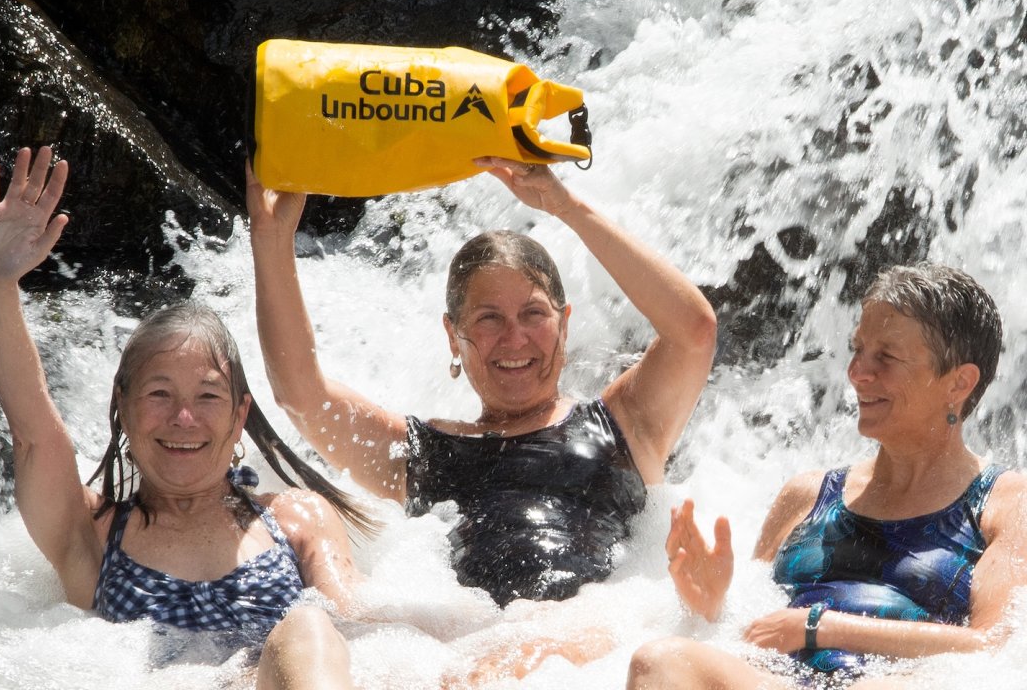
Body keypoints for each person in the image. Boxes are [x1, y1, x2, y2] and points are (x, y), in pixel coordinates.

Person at [247, 157, 717, 676]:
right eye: (489, 318)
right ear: (454, 335)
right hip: (465, 657)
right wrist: (271, 240)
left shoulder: (625, 424)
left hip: (601, 656)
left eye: (533, 314)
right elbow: (301, 393)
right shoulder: (419, 453)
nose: (514, 338)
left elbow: (692, 330)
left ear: (565, 322)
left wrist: (567, 207)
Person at [0, 146, 371, 689]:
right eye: (160, 394)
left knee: (312, 629)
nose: (184, 418)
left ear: (239, 417)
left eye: (207, 397)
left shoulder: (300, 521)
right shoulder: (90, 533)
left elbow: (369, 640)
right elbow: (35, 438)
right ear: (123, 408)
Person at [629, 263, 1027, 689]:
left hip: (901, 682)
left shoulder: (1005, 503)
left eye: (886, 357)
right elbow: (753, 633)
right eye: (858, 350)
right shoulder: (806, 495)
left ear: (959, 383)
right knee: (661, 661)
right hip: (779, 681)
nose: (858, 373)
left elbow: (993, 647)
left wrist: (820, 626)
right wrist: (710, 606)